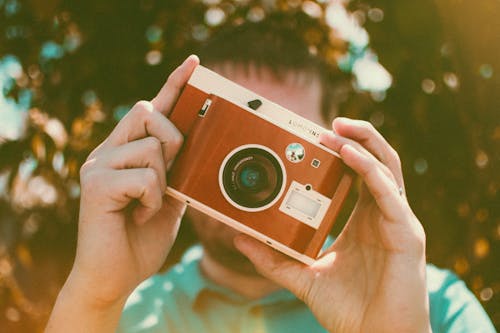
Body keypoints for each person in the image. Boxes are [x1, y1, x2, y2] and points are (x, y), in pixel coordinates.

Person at [46, 19, 495, 333]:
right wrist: (93, 299)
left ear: (342, 160)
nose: (259, 170)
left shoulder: (432, 303)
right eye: (239, 138)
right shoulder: (117, 314)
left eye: (289, 148)